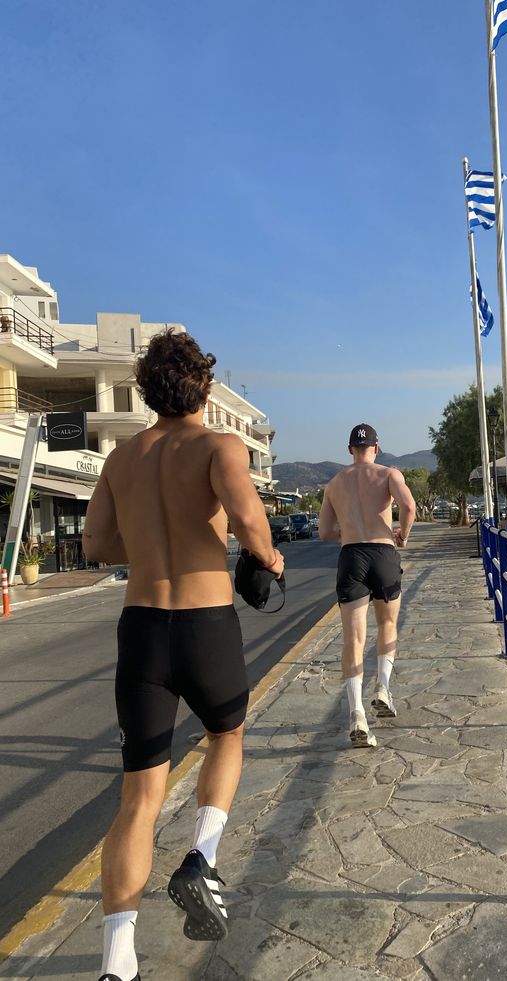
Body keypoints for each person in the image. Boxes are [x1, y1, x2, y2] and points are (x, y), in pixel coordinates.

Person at [83, 329, 284, 981]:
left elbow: (95, 544)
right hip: (205, 625)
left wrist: (150, 544)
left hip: (142, 628)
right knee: (227, 734)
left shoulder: (122, 458)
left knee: (139, 795)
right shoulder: (220, 446)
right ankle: (201, 857)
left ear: (148, 392)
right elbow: (249, 521)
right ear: (204, 387)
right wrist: (270, 558)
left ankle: (118, 959)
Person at [319, 423, 416, 747]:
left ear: (350, 450)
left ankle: (357, 713)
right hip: (383, 552)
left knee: (353, 638)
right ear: (376, 447)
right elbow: (409, 507)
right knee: (387, 624)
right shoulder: (389, 474)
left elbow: (324, 532)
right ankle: (383, 689)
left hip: (351, 556)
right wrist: (402, 535)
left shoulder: (334, 483)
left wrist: (348, 534)